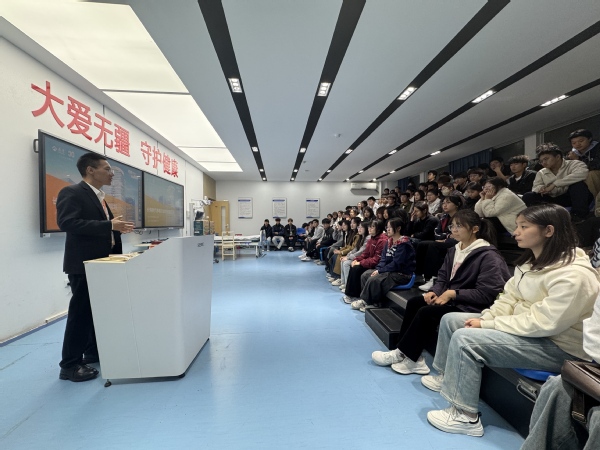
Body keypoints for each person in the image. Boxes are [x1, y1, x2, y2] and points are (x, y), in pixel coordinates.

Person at [421, 204, 600, 437]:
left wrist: (488, 325)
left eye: (524, 227)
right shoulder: (531, 262)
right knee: (452, 320)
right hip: (529, 331)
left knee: (466, 340)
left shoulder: (574, 275)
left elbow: (543, 322)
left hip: (560, 347)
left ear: (549, 230)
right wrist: (487, 317)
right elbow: (508, 297)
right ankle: (447, 376)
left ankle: (465, 416)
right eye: (517, 226)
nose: (515, 232)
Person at [372, 209, 510, 375]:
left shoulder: (488, 256)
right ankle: (404, 352)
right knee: (415, 302)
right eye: (452, 226)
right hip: (454, 299)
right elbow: (443, 276)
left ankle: (411, 358)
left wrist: (452, 294)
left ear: (474, 229)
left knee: (426, 313)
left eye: (459, 226)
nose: (454, 230)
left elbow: (487, 293)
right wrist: (435, 291)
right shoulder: (454, 250)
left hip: (471, 305)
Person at [56, 152, 134, 382]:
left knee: (95, 312)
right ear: (90, 170)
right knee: (80, 315)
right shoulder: (72, 192)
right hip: (84, 265)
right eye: (107, 169)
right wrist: (109, 225)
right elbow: (67, 222)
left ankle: (92, 352)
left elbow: (101, 227)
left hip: (103, 264)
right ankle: (69, 365)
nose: (111, 174)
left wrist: (115, 230)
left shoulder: (99, 197)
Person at [521, 293, 600, 449]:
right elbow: (594, 337)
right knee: (557, 386)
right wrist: (490, 320)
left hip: (561, 344)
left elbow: (546, 322)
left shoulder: (575, 280)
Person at [350, 217, 416, 312]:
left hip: (401, 273)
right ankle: (368, 301)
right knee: (366, 275)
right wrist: (378, 269)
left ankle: (373, 303)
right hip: (389, 270)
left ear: (398, 228)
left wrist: (380, 271)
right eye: (387, 227)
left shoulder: (404, 244)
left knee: (375, 279)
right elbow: (383, 259)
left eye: (390, 227)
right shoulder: (389, 241)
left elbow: (396, 264)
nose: (387, 229)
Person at [523, 143, 592, 223]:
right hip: (554, 198)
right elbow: (535, 188)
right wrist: (542, 189)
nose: (543, 163)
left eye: (546, 159)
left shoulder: (574, 164)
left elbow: (582, 174)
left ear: (558, 157)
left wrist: (555, 184)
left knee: (578, 185)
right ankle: (541, 218)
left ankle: (578, 216)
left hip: (572, 197)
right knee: (528, 196)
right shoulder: (541, 172)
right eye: (541, 161)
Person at [342, 220, 388, 304]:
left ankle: (355, 295)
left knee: (357, 269)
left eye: (372, 227)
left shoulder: (383, 240)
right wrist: (357, 259)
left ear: (378, 229)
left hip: (377, 265)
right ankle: (350, 294)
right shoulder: (371, 238)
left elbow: (376, 260)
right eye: (369, 227)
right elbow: (365, 254)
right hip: (370, 262)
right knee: (353, 266)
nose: (369, 229)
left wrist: (361, 263)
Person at [337, 221, 370, 291]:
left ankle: (348, 286)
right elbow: (355, 249)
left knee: (346, 263)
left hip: (363, 258)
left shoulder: (368, 238)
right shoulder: (361, 236)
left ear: (366, 228)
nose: (359, 229)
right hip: (357, 257)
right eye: (358, 227)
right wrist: (347, 256)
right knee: (343, 261)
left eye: (361, 227)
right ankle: (343, 283)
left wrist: (348, 257)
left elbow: (361, 251)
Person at [568, 129, 600, 198]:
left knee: (591, 174)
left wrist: (578, 160)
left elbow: (596, 165)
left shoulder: (598, 148)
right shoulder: (572, 154)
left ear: (589, 139)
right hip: (584, 179)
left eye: (581, 141)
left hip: (596, 175)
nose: (577, 144)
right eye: (574, 143)